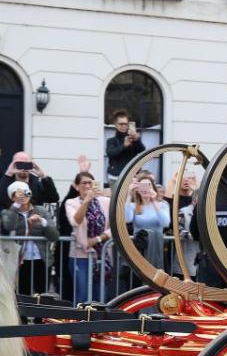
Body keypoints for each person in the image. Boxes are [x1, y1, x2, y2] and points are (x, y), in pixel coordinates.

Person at [1, 182, 58, 295]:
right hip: (20, 261)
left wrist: (42, 221)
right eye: (18, 193)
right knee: (23, 295)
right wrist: (16, 205)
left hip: (41, 259)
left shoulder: (41, 210)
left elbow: (54, 235)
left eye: (26, 192)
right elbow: (9, 225)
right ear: (12, 197)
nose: (23, 196)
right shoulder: (8, 212)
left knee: (43, 296)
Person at [64, 172, 112, 303]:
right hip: (80, 257)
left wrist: (98, 239)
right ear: (77, 186)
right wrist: (86, 201)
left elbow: (115, 225)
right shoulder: (71, 203)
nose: (87, 185)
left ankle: (97, 323)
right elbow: (75, 221)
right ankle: (79, 323)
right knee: (82, 296)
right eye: (84, 183)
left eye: (90, 182)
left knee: (100, 297)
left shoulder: (105, 202)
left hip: (102, 255)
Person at [105, 110, 145, 185]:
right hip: (115, 176)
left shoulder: (133, 139)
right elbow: (110, 153)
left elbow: (142, 151)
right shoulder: (111, 141)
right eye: (121, 124)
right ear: (116, 125)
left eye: (125, 124)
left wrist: (136, 140)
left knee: (132, 196)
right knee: (117, 197)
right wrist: (123, 146)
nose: (123, 126)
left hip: (132, 175)